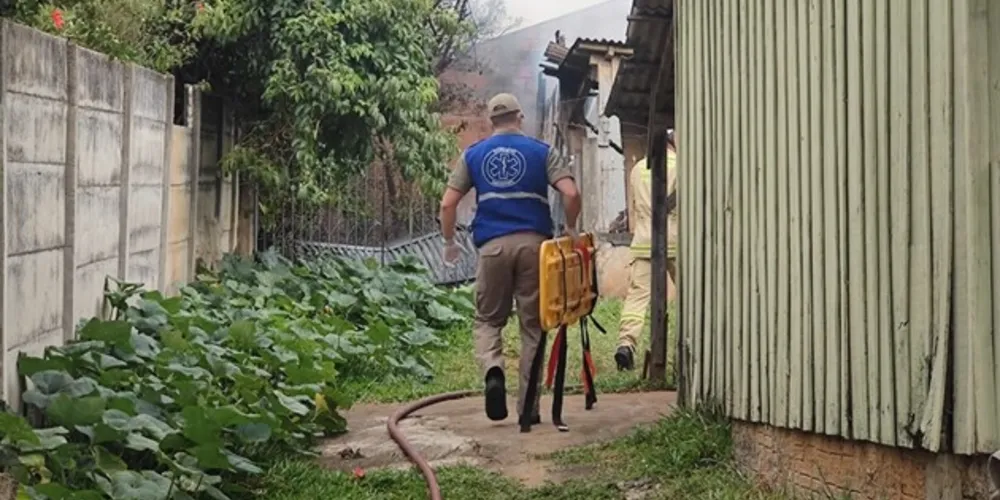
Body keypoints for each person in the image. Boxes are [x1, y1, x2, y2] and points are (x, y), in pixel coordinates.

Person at [439, 93, 582, 424]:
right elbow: (571, 193)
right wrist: (570, 227)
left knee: (488, 320)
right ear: (519, 118)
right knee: (533, 325)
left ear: (491, 122)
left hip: (492, 247)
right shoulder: (541, 152)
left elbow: (447, 205)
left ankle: (493, 370)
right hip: (536, 248)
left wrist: (449, 242)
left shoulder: (473, 154)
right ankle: (528, 409)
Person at [615, 129, 679, 371]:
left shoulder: (637, 169)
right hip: (675, 240)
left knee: (637, 297)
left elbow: (635, 206)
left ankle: (626, 344)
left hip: (643, 241)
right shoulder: (681, 167)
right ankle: (689, 344)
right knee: (690, 297)